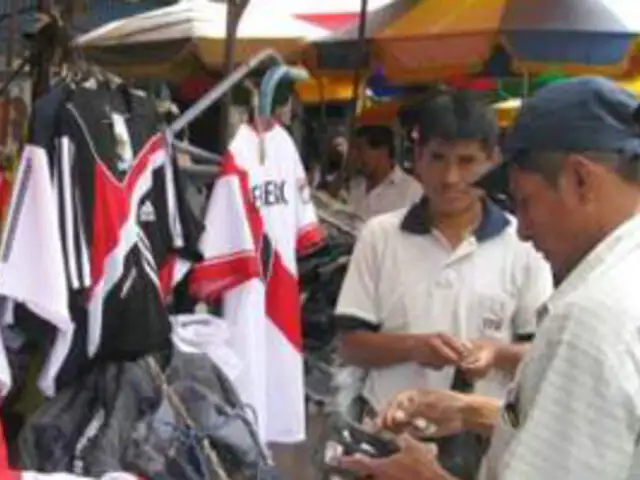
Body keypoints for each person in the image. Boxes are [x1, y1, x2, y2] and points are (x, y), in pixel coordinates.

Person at [339, 76, 640, 480]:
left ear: (580, 179)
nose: (524, 230)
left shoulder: (592, 319)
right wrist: (468, 410)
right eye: (438, 158)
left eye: (527, 202)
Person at [334, 91, 552, 423]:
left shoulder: (522, 243)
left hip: (485, 441)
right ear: (418, 158)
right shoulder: (380, 236)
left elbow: (541, 353)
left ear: (493, 160)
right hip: (390, 433)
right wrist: (415, 347)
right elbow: (350, 345)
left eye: (467, 162)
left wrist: (495, 353)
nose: (450, 178)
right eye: (437, 158)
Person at [346, 124, 423, 220]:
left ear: (383, 151)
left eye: (360, 149)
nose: (355, 157)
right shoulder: (355, 185)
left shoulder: (411, 191)